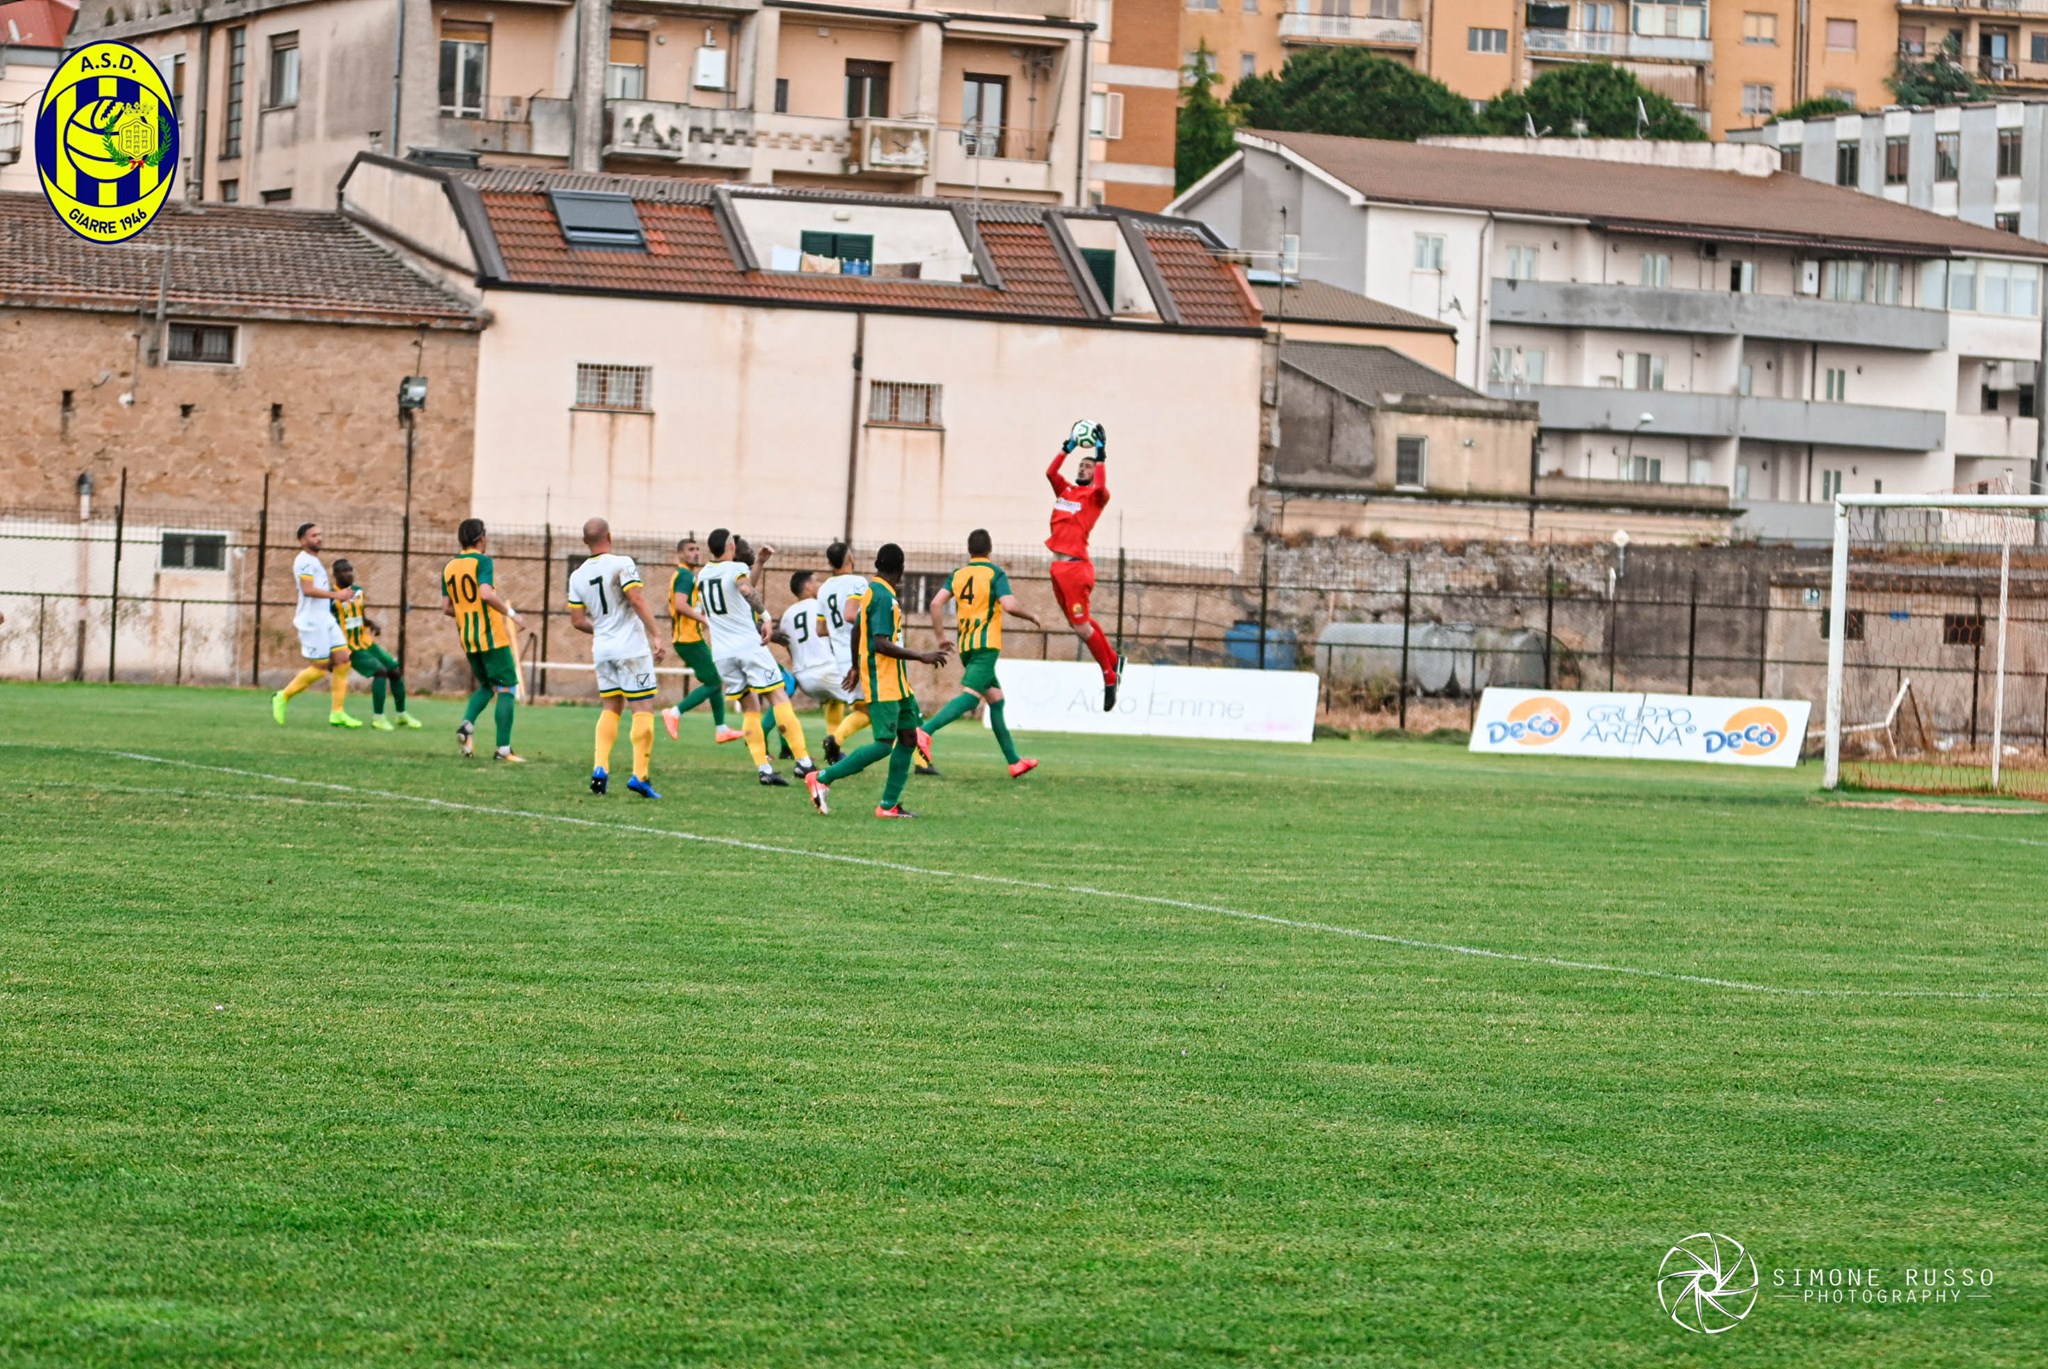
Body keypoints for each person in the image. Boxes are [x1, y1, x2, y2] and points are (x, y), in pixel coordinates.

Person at [806, 543, 949, 819]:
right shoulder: (882, 596)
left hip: (897, 681)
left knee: (908, 737)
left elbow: (857, 630)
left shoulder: (871, 591)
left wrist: (853, 667)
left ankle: (889, 805)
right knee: (884, 743)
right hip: (883, 680)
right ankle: (822, 777)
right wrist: (921, 655)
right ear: (902, 569)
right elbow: (880, 643)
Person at [695, 528, 817, 787]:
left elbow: (733, 588)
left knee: (750, 707)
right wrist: (765, 617)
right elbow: (745, 589)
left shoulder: (702, 575)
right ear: (730, 545)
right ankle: (804, 762)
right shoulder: (735, 567)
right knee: (779, 696)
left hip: (722, 653)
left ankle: (764, 768)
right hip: (748, 646)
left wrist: (759, 562)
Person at [568, 518, 674, 799]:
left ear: (585, 542)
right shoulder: (622, 563)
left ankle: (600, 768)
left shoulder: (576, 576)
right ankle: (640, 776)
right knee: (642, 709)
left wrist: (603, 628)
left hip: (603, 650)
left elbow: (577, 621)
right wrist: (657, 634)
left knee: (610, 708)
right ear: (610, 536)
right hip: (630, 649)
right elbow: (636, 599)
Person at [925, 529, 1040, 777]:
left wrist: (941, 637)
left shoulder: (958, 575)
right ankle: (924, 732)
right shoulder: (994, 573)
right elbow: (1009, 605)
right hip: (986, 645)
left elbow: (936, 604)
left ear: (970, 550)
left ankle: (1014, 762)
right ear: (990, 549)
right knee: (970, 698)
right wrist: (1030, 615)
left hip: (966, 645)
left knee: (996, 700)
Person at [1046, 421, 1124, 710]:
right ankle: (1114, 660)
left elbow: (1102, 485)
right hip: (1057, 568)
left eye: (1088, 466)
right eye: (1081, 465)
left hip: (1076, 568)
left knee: (1081, 627)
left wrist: (1101, 453)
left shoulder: (1095, 496)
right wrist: (1067, 447)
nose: (1082, 468)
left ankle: (1108, 674)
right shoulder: (1065, 491)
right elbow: (1050, 472)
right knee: (1078, 623)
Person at [441, 518, 527, 762]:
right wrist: (512, 615)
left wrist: (468, 613)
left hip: (467, 639)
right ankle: (503, 750)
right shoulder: (483, 561)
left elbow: (447, 607)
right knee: (508, 687)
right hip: (491, 638)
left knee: (487, 687)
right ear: (481, 537)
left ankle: (467, 725)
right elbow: (486, 594)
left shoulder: (449, 567)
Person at [271, 522, 361, 728]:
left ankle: (337, 713)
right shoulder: (303, 561)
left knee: (344, 660)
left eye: (320, 534)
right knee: (320, 669)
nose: (318, 538)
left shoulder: (314, 561)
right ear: (303, 540)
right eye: (313, 535)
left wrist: (340, 597)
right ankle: (282, 696)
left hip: (325, 618)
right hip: (312, 621)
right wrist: (336, 595)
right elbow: (307, 589)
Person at [660, 535, 746, 748]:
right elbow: (680, 605)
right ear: (680, 554)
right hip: (687, 639)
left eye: (697, 549)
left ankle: (721, 729)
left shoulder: (688, 575)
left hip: (691, 637)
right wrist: (703, 619)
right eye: (690, 549)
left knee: (714, 680)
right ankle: (674, 712)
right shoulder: (684, 576)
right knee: (715, 681)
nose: (695, 553)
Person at [330, 559, 421, 732]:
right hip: (348, 647)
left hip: (365, 642)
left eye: (350, 570)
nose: (348, 573)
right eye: (343, 571)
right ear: (335, 575)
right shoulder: (330, 598)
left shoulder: (358, 592)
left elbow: (358, 615)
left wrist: (371, 623)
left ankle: (401, 714)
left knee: (394, 670)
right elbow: (325, 625)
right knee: (380, 671)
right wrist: (330, 653)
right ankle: (378, 718)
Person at [782, 570, 860, 729]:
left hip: (804, 679)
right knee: (869, 702)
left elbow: (790, 650)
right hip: (825, 670)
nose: (820, 585)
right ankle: (893, 744)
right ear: (809, 586)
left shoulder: (786, 616)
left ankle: (833, 751)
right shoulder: (820, 605)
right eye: (817, 581)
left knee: (834, 701)